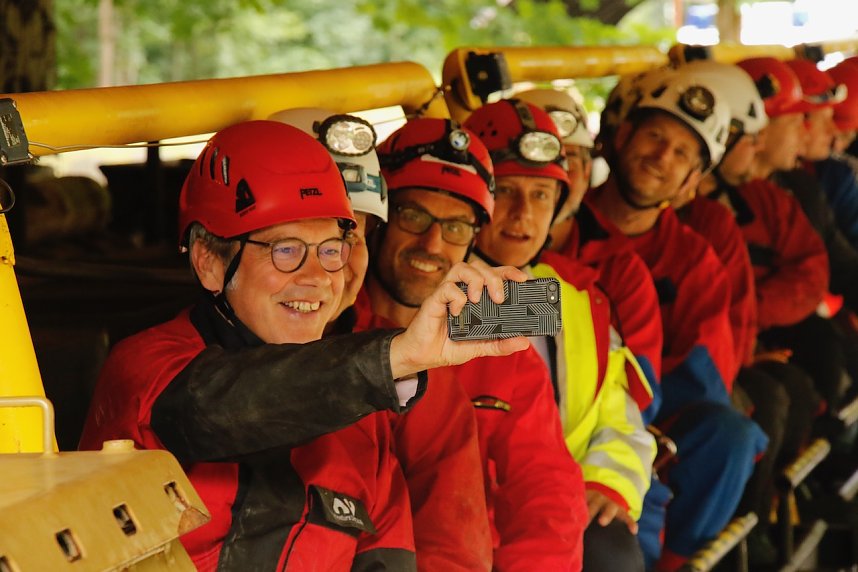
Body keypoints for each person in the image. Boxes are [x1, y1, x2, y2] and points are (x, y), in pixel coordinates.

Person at [79, 120, 529, 571]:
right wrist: (397, 357)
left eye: (331, 249)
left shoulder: (366, 416)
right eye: (286, 249)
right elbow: (218, 408)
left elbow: (390, 558)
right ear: (210, 262)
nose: (318, 278)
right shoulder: (147, 365)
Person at [272, 107, 495, 571]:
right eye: (292, 242)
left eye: (351, 236)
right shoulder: (170, 370)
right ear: (213, 257)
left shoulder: (490, 325)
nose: (326, 268)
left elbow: (537, 491)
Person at [372, 116, 588, 570]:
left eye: (455, 228)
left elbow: (545, 488)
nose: (432, 244)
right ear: (377, 220)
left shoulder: (500, 323)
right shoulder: (324, 319)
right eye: (413, 216)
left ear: (473, 239)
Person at [463, 98, 655, 572]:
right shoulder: (445, 291)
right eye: (505, 191)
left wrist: (606, 483)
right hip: (483, 517)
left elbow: (619, 413)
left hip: (558, 504)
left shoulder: (573, 295)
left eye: (542, 195)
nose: (523, 214)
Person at [589, 71, 769, 571]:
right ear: (622, 137)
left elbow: (703, 378)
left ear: (693, 181)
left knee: (727, 437)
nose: (661, 157)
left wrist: (631, 430)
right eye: (654, 136)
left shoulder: (693, 261)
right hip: (554, 406)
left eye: (682, 154)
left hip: (646, 419)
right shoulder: (554, 227)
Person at [671, 59, 820, 566]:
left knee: (745, 424)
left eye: (540, 193)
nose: (524, 214)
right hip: (584, 458)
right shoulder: (554, 270)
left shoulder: (697, 234)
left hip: (638, 426)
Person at [517, 87, 663, 418]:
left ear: (586, 172)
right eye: (535, 161)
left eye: (566, 160)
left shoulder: (617, 270)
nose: (554, 177)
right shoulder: (467, 272)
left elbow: (637, 399)